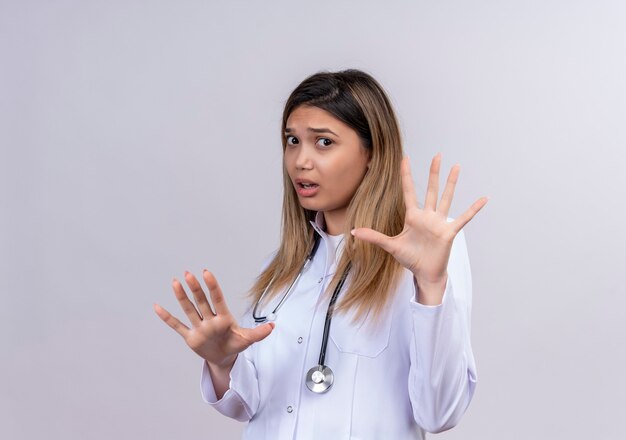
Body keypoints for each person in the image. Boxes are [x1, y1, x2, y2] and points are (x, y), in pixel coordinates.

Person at [153, 69, 488, 439]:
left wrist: (430, 285)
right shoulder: (280, 270)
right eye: (292, 140)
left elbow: (439, 413)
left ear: (373, 153)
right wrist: (222, 362)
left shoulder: (426, 258)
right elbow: (246, 404)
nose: (300, 161)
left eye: (324, 142)